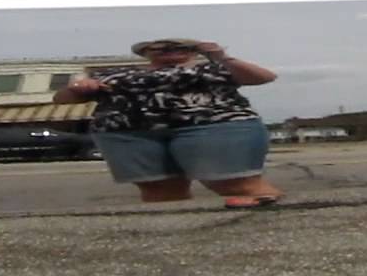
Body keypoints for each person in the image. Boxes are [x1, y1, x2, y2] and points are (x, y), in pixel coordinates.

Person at [53, 39, 283, 208]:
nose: (169, 51)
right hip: (129, 133)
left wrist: (222, 57)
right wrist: (79, 88)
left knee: (235, 183)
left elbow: (264, 77)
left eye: (179, 47)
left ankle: (268, 225)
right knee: (158, 190)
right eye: (160, 48)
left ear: (194, 51)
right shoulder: (114, 73)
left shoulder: (214, 67)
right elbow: (62, 99)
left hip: (213, 127)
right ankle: (177, 234)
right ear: (145, 52)